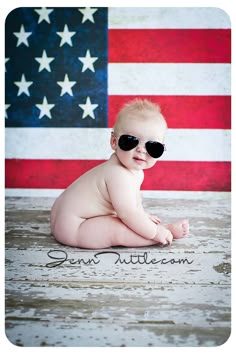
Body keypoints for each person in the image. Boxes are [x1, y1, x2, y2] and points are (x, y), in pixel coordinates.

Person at [50, 98, 189, 249]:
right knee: (117, 230)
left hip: (66, 219)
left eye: (153, 147)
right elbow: (127, 214)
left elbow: (133, 202)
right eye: (130, 141)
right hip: (75, 227)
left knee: (128, 220)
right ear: (114, 142)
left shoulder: (131, 170)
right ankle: (165, 234)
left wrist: (141, 215)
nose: (141, 150)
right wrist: (154, 231)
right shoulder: (118, 174)